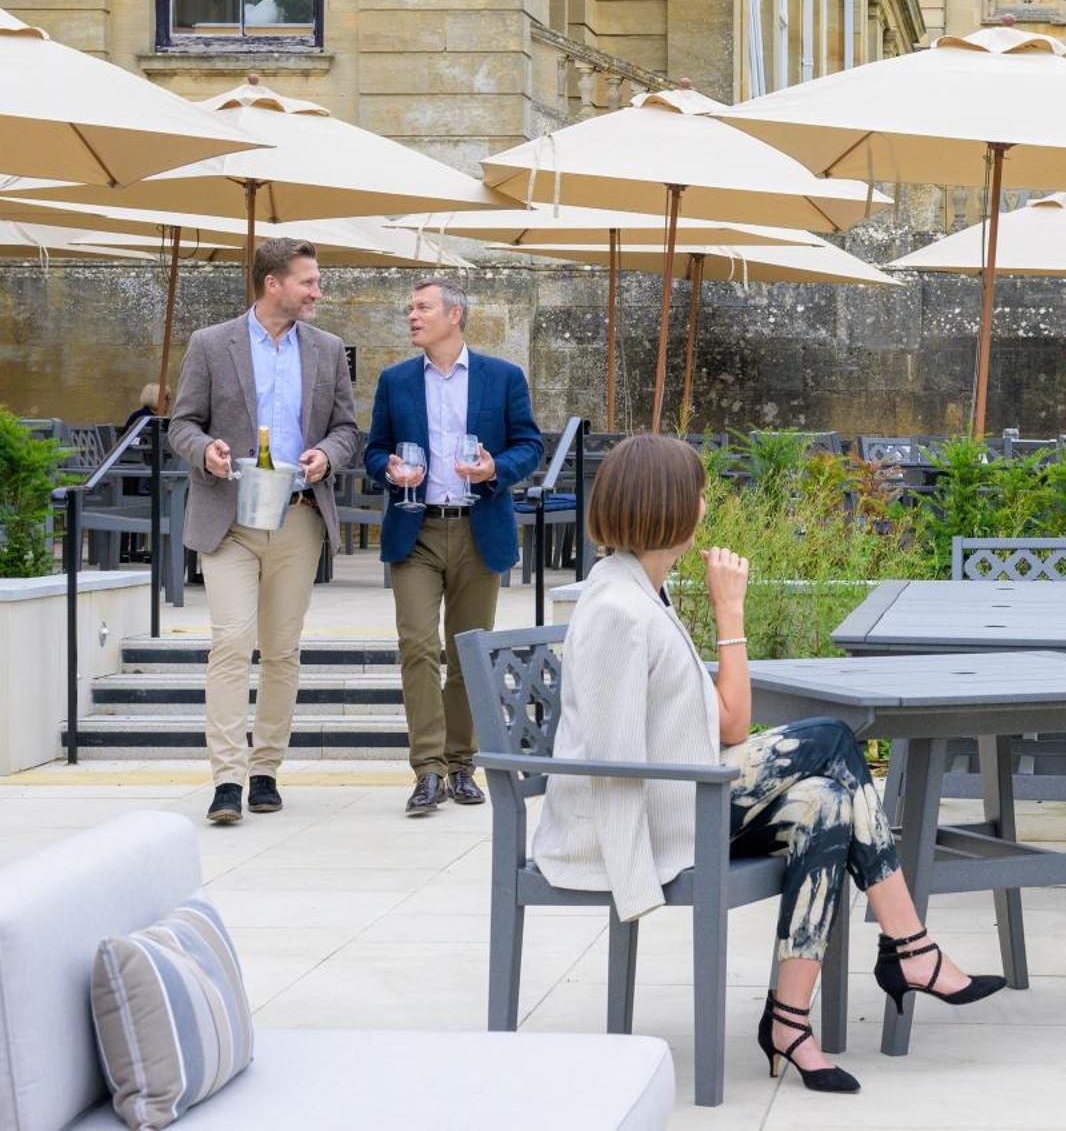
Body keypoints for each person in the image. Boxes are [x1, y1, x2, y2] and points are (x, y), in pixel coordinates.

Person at [533, 435, 1004, 1093]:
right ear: (668, 506)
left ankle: (789, 1022)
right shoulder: (616, 608)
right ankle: (912, 947)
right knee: (834, 740)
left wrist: (731, 614)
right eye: (697, 492)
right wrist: (632, 877)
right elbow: (616, 760)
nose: (705, 504)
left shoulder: (645, 592)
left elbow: (728, 724)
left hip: (686, 795)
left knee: (829, 802)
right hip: (653, 815)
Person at [168, 237, 358, 825]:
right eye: (308, 281)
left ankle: (265, 769)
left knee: (281, 651)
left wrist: (328, 454)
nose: (317, 291)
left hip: (297, 519)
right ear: (272, 283)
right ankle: (226, 778)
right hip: (228, 519)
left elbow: (348, 428)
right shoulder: (210, 343)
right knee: (230, 642)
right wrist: (207, 452)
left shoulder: (327, 350)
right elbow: (181, 425)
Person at [364, 278, 542, 816]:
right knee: (417, 647)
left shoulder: (502, 377)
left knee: (468, 654)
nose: (412, 316)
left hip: (478, 527)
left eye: (422, 307)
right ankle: (427, 771)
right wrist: (388, 469)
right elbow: (374, 451)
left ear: (454, 315)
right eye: (410, 308)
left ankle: (461, 764)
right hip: (414, 528)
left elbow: (530, 444)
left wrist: (496, 468)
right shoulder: (395, 381)